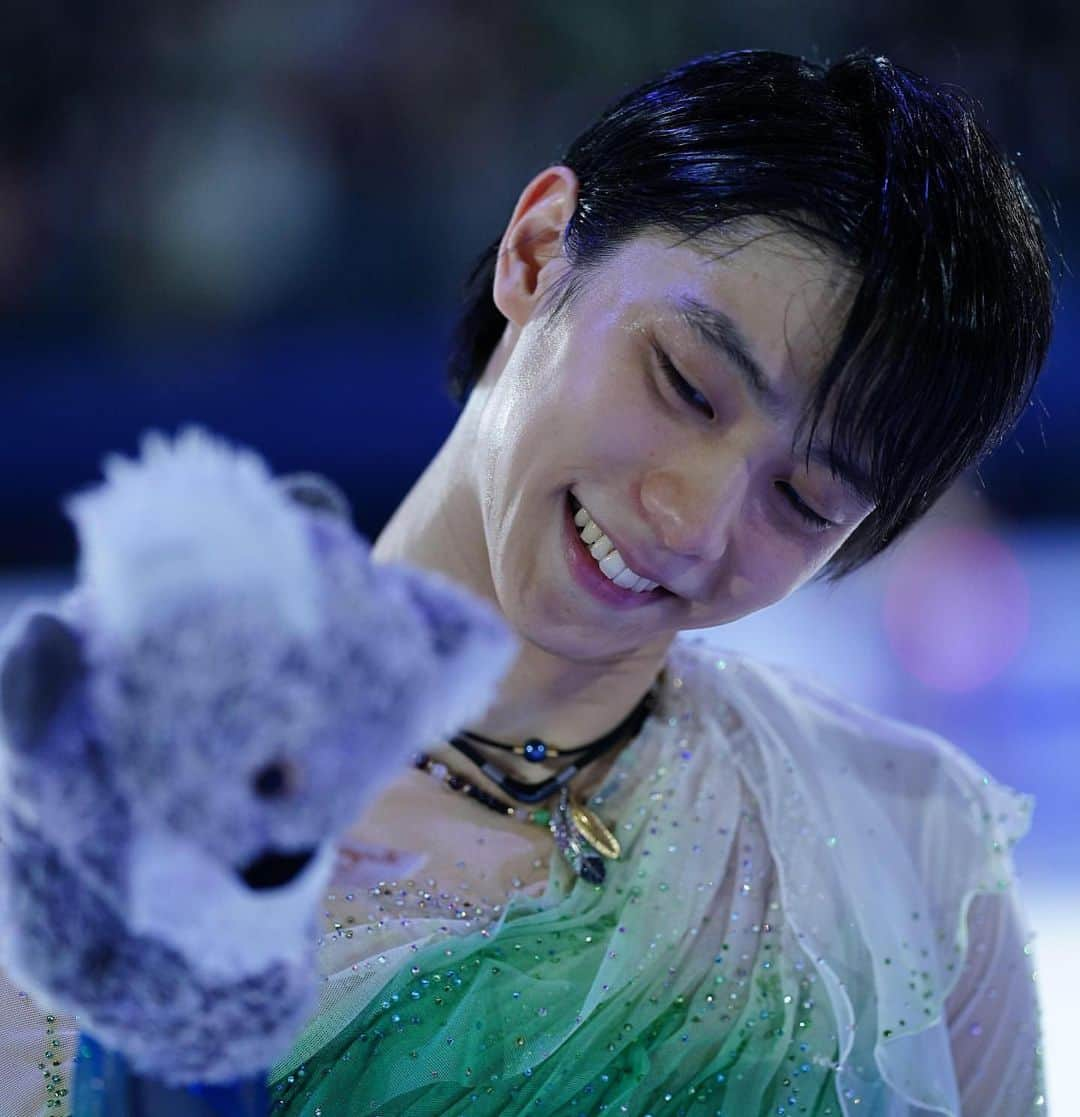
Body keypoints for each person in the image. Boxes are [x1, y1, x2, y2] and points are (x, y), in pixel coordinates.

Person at [0, 49, 1051, 1116]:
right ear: (539, 249)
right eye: (686, 385)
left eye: (804, 500)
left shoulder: (909, 855)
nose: (690, 520)